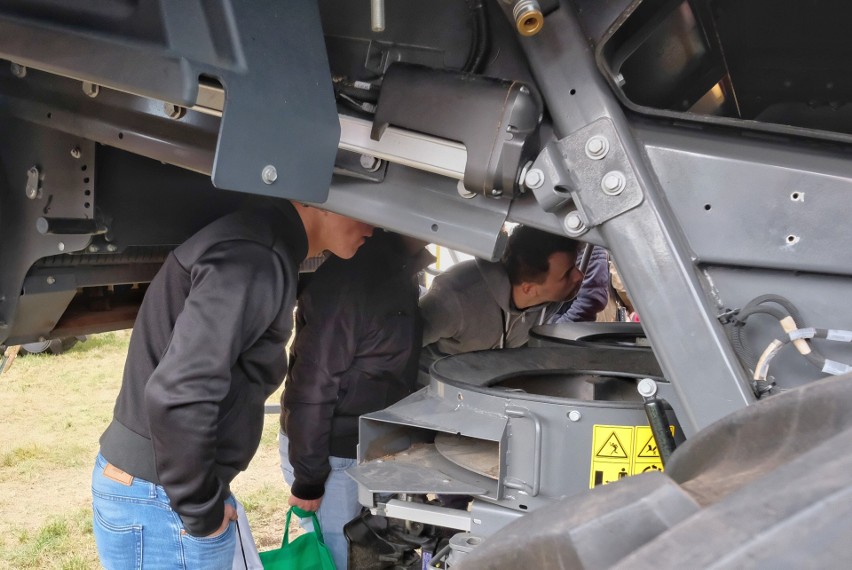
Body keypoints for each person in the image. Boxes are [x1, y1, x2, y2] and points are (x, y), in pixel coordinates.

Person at [91, 199, 373, 570]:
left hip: (163, 487)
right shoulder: (256, 256)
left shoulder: (262, 244)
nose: (374, 226)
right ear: (316, 197)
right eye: (367, 206)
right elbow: (181, 392)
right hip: (162, 496)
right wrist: (200, 509)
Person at [279, 230, 433, 570]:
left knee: (369, 558)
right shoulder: (351, 279)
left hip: (372, 446)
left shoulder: (398, 271)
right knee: (336, 559)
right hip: (332, 456)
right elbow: (313, 385)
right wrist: (308, 479)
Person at [420, 225, 584, 361]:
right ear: (529, 288)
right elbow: (403, 345)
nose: (579, 276)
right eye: (567, 274)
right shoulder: (455, 298)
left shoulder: (552, 298)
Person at [548, 245, 610, 323]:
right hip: (545, 320)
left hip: (561, 324)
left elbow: (589, 301)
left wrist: (560, 326)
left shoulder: (590, 249)